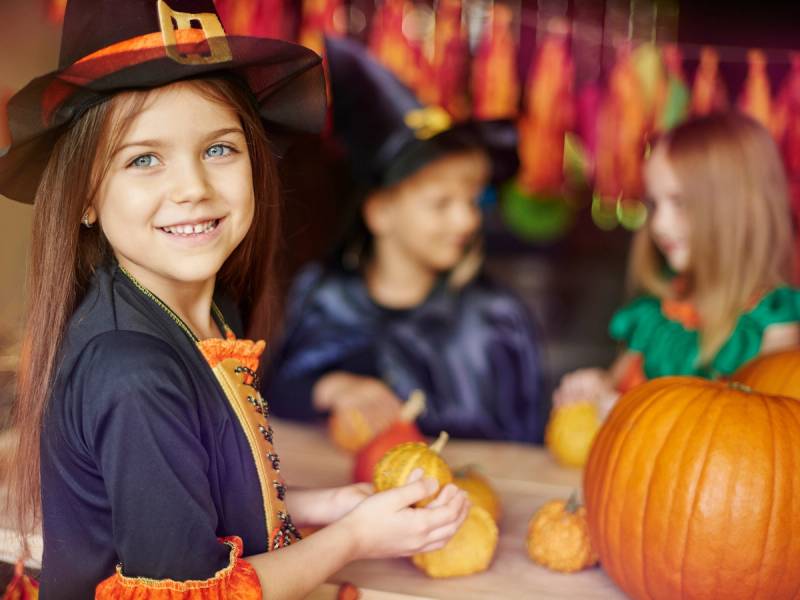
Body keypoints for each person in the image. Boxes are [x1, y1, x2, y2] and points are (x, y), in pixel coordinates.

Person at [2, 2, 469, 598]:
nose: (193, 188)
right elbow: (193, 593)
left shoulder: (210, 310)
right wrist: (353, 538)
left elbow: (198, 499)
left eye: (219, 149)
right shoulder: (131, 372)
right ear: (85, 198)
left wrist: (326, 505)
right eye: (144, 159)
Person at [264, 37, 547, 443]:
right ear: (379, 212)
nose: (467, 219)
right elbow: (271, 397)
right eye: (441, 203)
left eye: (473, 200)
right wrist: (330, 387)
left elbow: (530, 444)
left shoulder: (497, 320)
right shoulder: (323, 298)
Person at [554, 112, 800, 415]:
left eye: (680, 203)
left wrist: (625, 409)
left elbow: (762, 429)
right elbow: (615, 395)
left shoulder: (774, 325)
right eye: (654, 204)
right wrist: (594, 389)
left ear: (739, 209)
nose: (659, 224)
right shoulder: (659, 313)